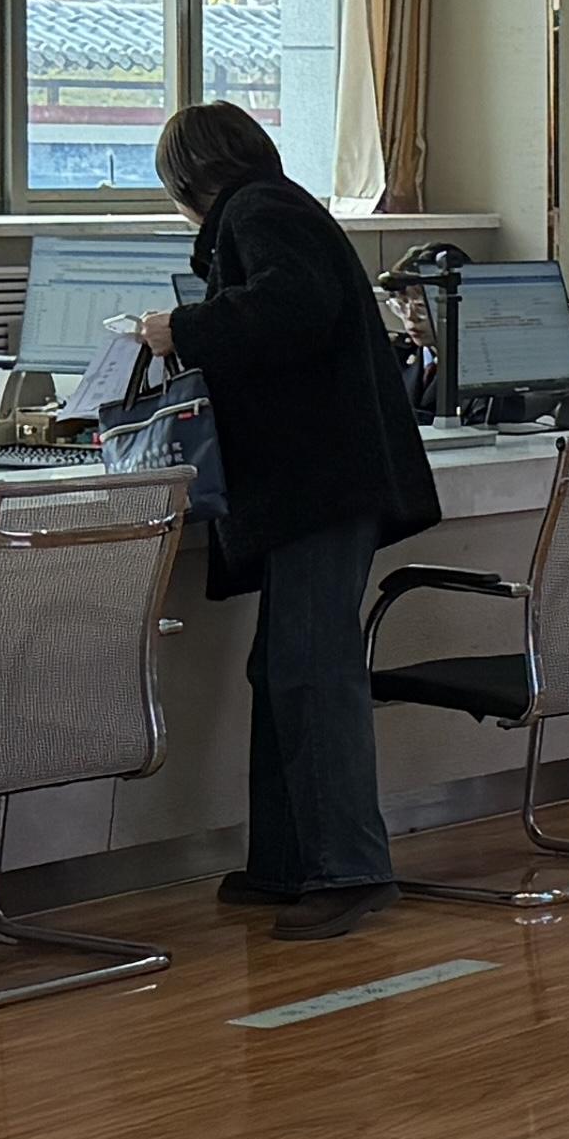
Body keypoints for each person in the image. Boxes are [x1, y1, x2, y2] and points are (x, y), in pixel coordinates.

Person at [134, 102, 439, 939]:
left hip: (320, 482)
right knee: (283, 667)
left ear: (186, 180)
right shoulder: (277, 205)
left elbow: (293, 307)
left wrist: (180, 328)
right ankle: (288, 859)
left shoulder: (259, 211)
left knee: (311, 669)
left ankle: (349, 866)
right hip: (323, 480)